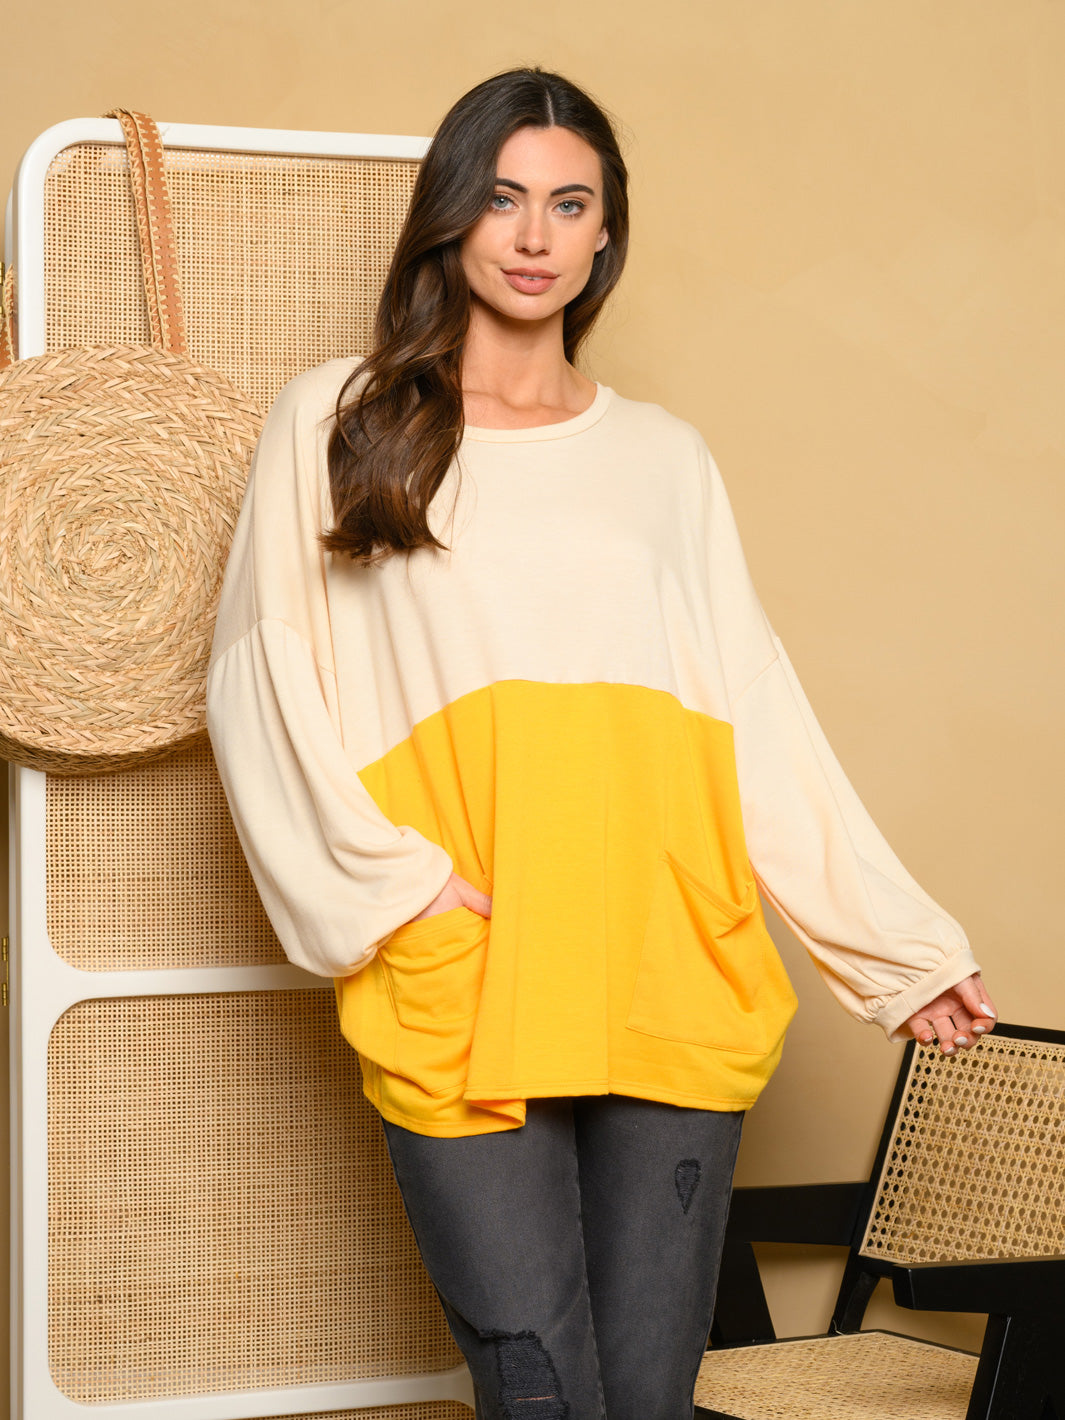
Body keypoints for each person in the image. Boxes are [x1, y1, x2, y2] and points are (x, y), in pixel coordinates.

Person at [206, 67, 997, 1420]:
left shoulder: (664, 459)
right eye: (502, 198)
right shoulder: (340, 421)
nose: (533, 236)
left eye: (568, 205)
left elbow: (749, 709)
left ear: (604, 235)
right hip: (468, 964)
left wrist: (894, 947)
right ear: (449, 216)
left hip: (661, 960)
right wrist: (396, 889)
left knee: (644, 1394)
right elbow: (258, 677)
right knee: (537, 1388)